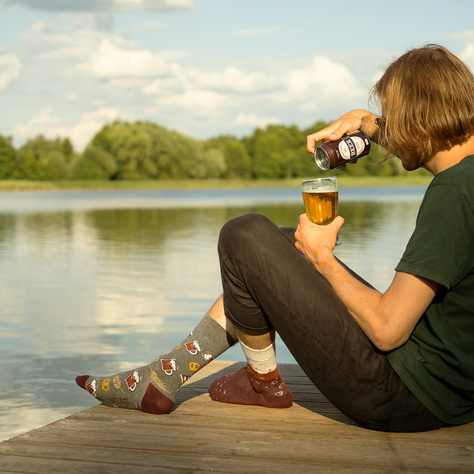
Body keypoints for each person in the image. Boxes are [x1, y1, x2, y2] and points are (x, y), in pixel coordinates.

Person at [76, 44, 474, 432]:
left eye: (394, 115)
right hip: (452, 392)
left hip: (401, 395)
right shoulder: (466, 178)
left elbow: (388, 330)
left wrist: (324, 261)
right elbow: (426, 139)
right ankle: (167, 374)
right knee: (282, 246)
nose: (388, 124)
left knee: (243, 234)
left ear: (417, 116)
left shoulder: (452, 192)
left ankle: (260, 383)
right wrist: (367, 122)